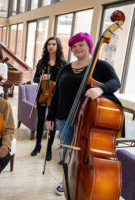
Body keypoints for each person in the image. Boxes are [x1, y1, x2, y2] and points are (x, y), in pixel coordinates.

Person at [45, 32, 121, 195]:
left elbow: (116, 83)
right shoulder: (65, 68)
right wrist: (50, 117)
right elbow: (57, 93)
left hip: (89, 119)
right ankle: (66, 180)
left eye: (81, 44)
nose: (77, 48)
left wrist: (101, 89)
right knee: (68, 151)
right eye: (74, 46)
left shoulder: (101, 66)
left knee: (87, 154)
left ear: (89, 46)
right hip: (66, 117)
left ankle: (88, 181)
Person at [30, 37, 66, 161]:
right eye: (49, 44)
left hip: (55, 96)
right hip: (42, 95)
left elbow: (65, 80)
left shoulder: (63, 63)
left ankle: (49, 148)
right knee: (40, 120)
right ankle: (38, 145)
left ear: (57, 47)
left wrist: (57, 83)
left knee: (52, 122)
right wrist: (41, 78)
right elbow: (34, 79)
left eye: (53, 44)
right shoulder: (42, 62)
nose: (51, 46)